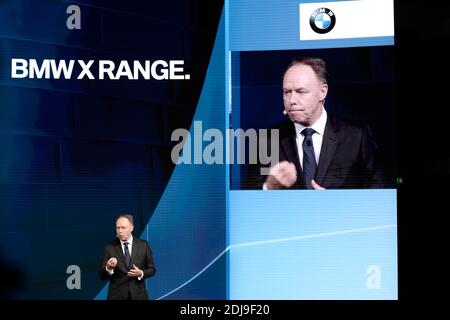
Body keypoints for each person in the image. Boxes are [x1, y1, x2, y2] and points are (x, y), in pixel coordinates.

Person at [263, 57, 389, 190]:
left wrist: (334, 204)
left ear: (322, 92)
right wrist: (269, 187)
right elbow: (248, 198)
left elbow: (378, 191)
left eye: (301, 91)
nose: (292, 100)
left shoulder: (358, 136)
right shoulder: (266, 140)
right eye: (287, 92)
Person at [99, 213, 156, 300]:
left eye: (123, 227)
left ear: (131, 228)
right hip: (116, 296)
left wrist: (141, 273)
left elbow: (152, 269)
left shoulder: (143, 245)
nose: (120, 231)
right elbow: (102, 275)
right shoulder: (109, 247)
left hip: (139, 296)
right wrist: (108, 268)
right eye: (118, 228)